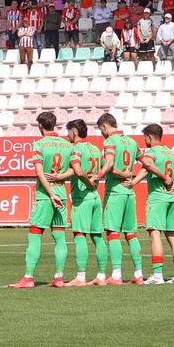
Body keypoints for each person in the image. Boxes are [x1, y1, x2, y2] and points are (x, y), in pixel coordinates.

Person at [10, 111, 73, 288]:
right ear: (54, 125)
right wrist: (60, 177)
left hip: (46, 196)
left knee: (35, 234)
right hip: (62, 194)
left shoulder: (39, 144)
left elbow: (39, 172)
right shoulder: (67, 145)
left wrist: (51, 194)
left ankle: (29, 277)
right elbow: (74, 170)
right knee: (60, 237)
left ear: (40, 126)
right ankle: (59, 277)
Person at [94, 113, 145, 284]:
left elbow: (109, 165)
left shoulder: (109, 141)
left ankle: (116, 274)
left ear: (104, 127)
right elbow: (148, 164)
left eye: (101, 130)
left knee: (112, 233)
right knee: (131, 234)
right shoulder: (132, 142)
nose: (101, 133)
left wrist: (98, 175)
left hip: (115, 192)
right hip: (129, 193)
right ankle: (138, 274)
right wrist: (134, 181)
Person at [132, 123, 174, 285]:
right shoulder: (171, 153)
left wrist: (134, 181)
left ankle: (157, 275)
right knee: (172, 237)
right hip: (170, 198)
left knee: (155, 235)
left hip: (157, 198)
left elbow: (147, 166)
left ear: (149, 137)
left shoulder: (153, 152)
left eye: (144, 138)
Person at [64, 119, 108, 286]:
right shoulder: (95, 149)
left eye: (68, 131)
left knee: (79, 234)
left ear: (74, 132)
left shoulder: (76, 149)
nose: (67, 135)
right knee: (97, 236)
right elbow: (104, 168)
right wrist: (95, 180)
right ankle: (101, 276)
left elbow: (77, 169)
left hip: (82, 197)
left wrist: (88, 181)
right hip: (96, 197)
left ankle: (81, 277)